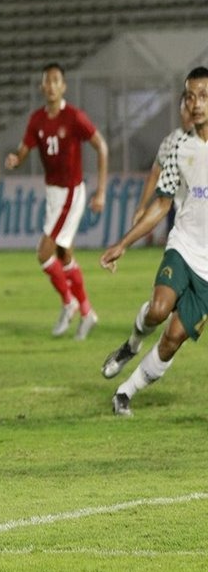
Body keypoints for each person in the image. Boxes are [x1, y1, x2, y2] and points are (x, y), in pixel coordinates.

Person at [99, 67, 207, 417]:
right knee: (159, 310)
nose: (196, 104)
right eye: (190, 96)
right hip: (183, 247)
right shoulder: (178, 147)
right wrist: (123, 243)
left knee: (173, 339)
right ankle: (131, 345)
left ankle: (125, 393)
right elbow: (162, 205)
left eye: (204, 96)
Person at [5, 62, 107, 340]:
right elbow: (24, 149)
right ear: (42, 87)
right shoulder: (37, 120)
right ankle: (87, 312)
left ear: (63, 86)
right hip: (53, 193)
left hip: (71, 192)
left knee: (44, 252)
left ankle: (68, 302)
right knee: (63, 255)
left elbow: (101, 146)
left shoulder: (74, 117)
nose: (51, 85)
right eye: (47, 81)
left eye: (55, 80)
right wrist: (16, 159)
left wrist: (101, 191)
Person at [132, 92, 192, 243]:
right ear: (180, 111)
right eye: (186, 108)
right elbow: (155, 174)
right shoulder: (171, 142)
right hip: (179, 211)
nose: (190, 114)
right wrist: (142, 207)